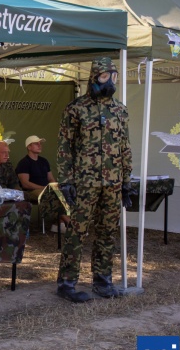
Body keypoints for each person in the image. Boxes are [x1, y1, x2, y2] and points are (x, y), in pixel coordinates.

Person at [55, 57, 133, 303]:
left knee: (107, 232)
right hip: (84, 183)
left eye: (114, 76)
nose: (110, 81)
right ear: (94, 78)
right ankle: (67, 283)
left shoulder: (120, 110)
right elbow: (64, 146)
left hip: (113, 183)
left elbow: (125, 147)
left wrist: (127, 181)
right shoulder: (76, 109)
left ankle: (103, 280)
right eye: (105, 76)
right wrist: (66, 181)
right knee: (76, 232)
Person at [15, 135, 56, 202]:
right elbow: (25, 184)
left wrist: (55, 188)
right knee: (48, 195)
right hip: (31, 192)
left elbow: (51, 179)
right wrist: (44, 188)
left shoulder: (44, 161)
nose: (39, 146)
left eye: (40, 144)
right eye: (36, 144)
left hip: (46, 190)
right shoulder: (24, 163)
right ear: (29, 147)